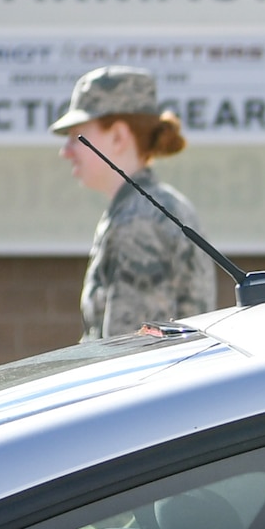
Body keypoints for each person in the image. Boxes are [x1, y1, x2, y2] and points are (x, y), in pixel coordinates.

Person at [52, 66, 217, 340]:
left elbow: (129, 355)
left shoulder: (139, 222)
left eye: (76, 137)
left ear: (118, 136)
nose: (65, 151)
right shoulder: (152, 207)